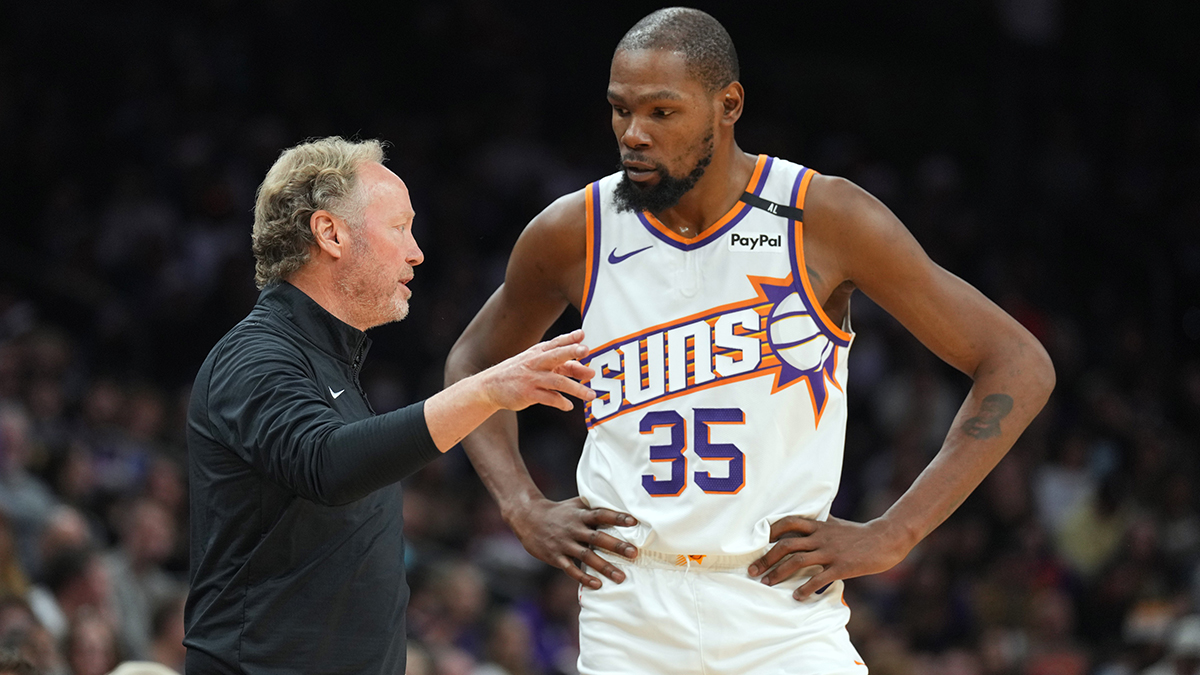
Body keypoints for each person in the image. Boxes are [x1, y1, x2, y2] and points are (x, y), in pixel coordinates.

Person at [444, 8, 1055, 675]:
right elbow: (474, 362)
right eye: (620, 111)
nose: (635, 134)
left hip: (780, 604)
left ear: (727, 104)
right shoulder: (574, 230)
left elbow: (1017, 362)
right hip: (630, 605)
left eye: (662, 112)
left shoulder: (822, 217)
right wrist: (522, 505)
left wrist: (896, 531)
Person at [184, 137, 596, 674]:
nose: (416, 251)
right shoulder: (255, 355)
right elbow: (328, 464)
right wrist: (486, 390)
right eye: (399, 226)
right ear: (330, 233)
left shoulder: (330, 365)